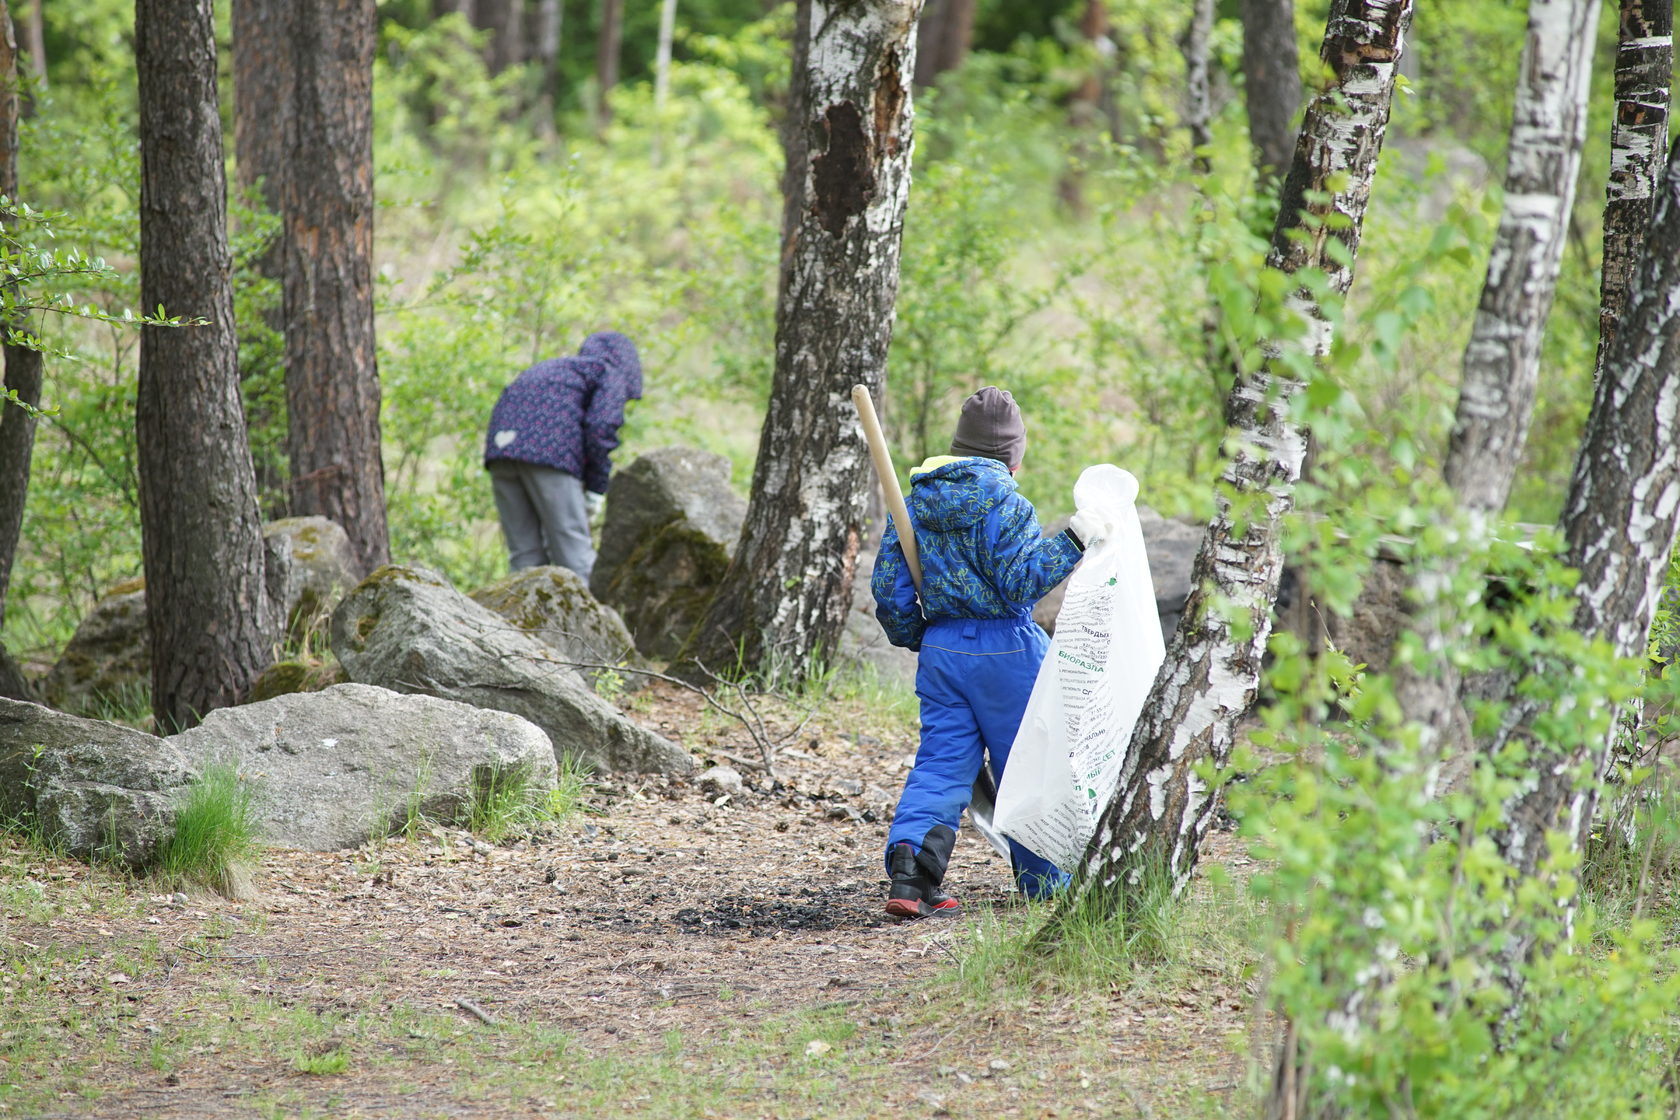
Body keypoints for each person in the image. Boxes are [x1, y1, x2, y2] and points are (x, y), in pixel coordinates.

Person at [872, 386, 1110, 920]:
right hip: (1007, 652)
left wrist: (921, 634)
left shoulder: (913, 504)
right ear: (1014, 457)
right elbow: (1020, 582)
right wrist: (1073, 538)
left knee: (940, 765)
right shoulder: (1007, 504)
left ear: (957, 449)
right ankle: (1046, 882)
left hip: (943, 651)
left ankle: (911, 873)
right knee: (1027, 766)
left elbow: (890, 590)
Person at [483, 331, 642, 583]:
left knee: (525, 557)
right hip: (549, 455)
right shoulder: (608, 371)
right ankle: (590, 622)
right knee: (574, 554)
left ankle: (522, 621)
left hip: (501, 449)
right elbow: (601, 427)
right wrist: (596, 489)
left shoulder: (557, 369)